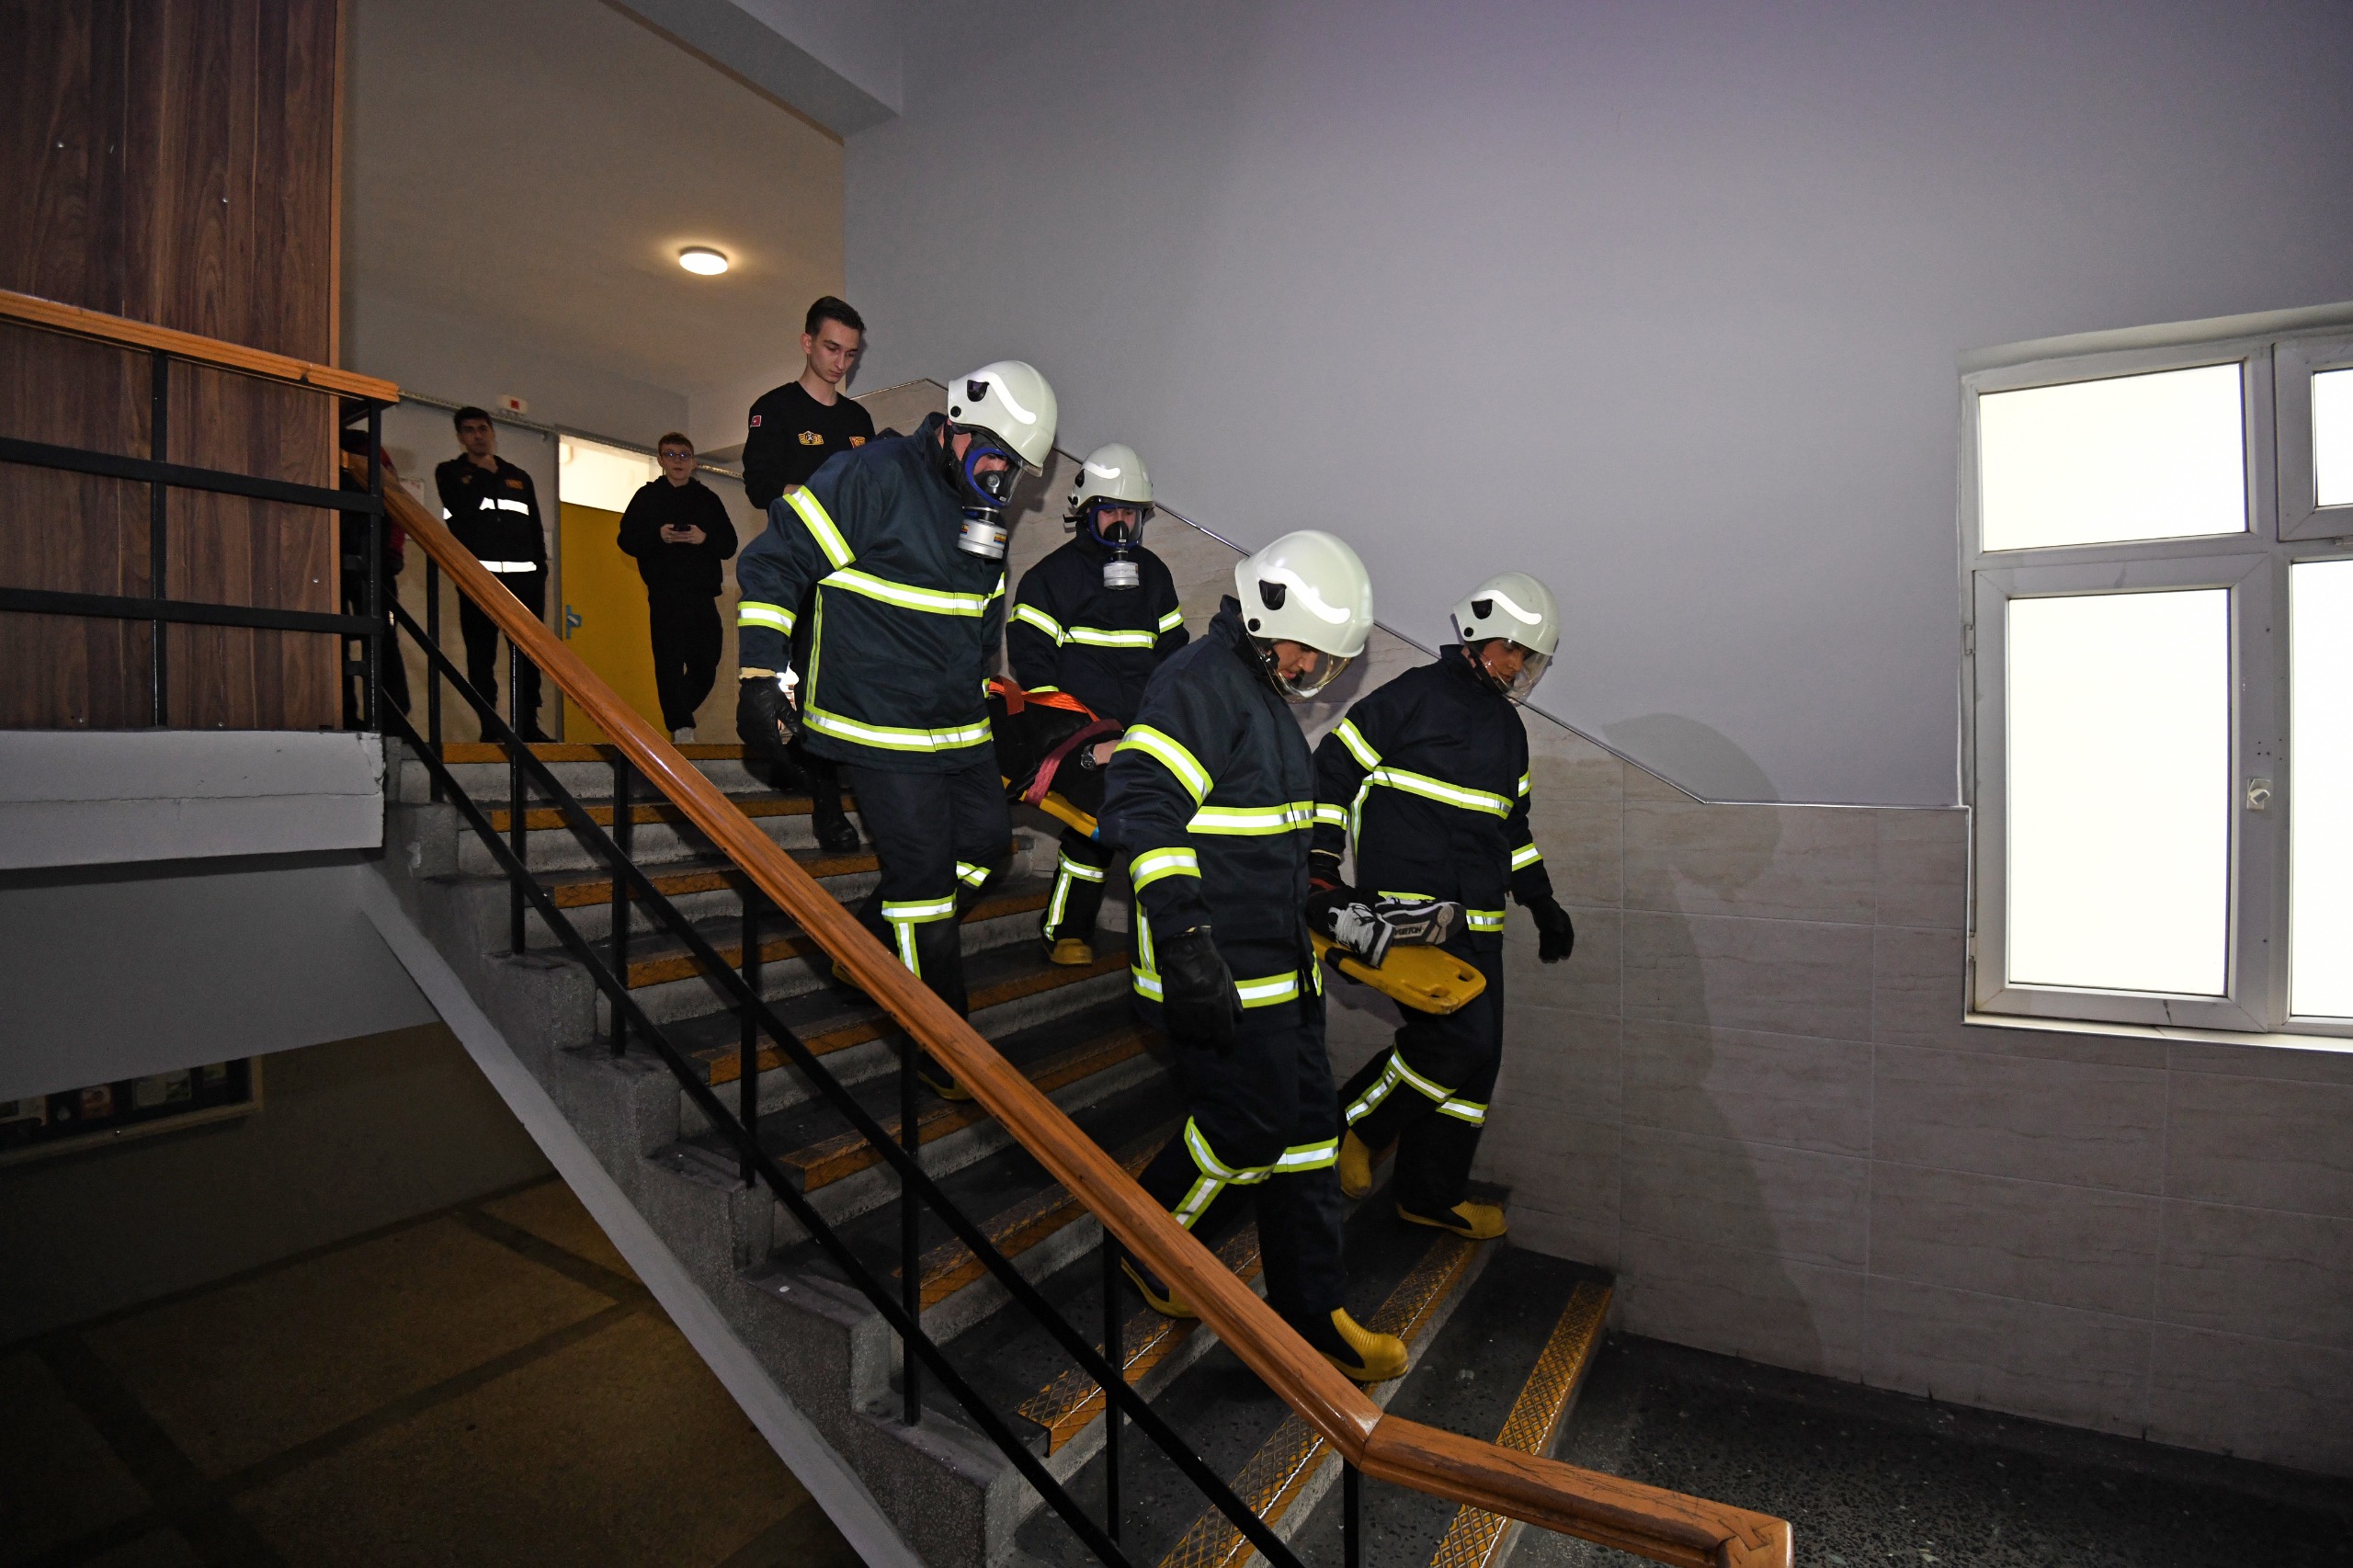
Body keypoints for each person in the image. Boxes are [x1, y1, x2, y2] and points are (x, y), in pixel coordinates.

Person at [1098, 529, 1410, 1384]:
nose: (1314, 672)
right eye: (1310, 651)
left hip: (1279, 973)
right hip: (1214, 973)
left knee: (1309, 1136)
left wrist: (1326, 901)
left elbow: (1264, 838)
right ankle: (1145, 1242)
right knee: (1246, 1130)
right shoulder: (1199, 684)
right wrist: (1185, 942)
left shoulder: (1263, 696)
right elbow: (1143, 808)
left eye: (1327, 661)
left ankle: (1313, 1312)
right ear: (1267, 615)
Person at [733, 360, 1058, 1093]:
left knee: (986, 847)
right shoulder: (872, 475)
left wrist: (987, 686)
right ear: (956, 428)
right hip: (876, 721)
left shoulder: (983, 512)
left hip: (955, 723)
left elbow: (982, 616)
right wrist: (759, 674)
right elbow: (775, 561)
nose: (1003, 478)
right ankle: (945, 1049)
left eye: (1016, 469)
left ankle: (866, 943)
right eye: (996, 457)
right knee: (924, 886)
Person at [1313, 572, 1576, 1241]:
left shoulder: (1509, 730)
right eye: (1511, 649)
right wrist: (1320, 864)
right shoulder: (1411, 697)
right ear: (1476, 634)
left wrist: (1541, 899)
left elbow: (1512, 828)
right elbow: (1332, 771)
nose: (1516, 666)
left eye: (1527, 657)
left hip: (1482, 925)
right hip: (1409, 919)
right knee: (1457, 1044)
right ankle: (1353, 1127)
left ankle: (1430, 1195)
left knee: (1477, 1066)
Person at [1006, 442, 1188, 966]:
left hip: (1141, 733)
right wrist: (1082, 736)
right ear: (1086, 512)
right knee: (1105, 821)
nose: (1121, 523)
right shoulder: (1051, 578)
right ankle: (1067, 929)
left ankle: (1170, 946)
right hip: (1079, 735)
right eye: (1110, 510)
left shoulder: (1154, 577)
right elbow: (1033, 666)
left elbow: (1175, 660)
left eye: (1131, 512)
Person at [740, 297, 876, 851]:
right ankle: (826, 807)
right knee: (804, 685)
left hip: (851, 581)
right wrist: (810, 497)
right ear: (807, 342)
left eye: (851, 354)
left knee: (846, 688)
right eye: (831, 348)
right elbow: (758, 487)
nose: (841, 363)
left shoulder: (858, 421)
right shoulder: (773, 409)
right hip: (796, 573)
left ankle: (844, 787)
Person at [435, 407, 549, 741]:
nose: (478, 435)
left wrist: (539, 572)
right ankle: (490, 728)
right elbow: (461, 514)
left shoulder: (518, 476)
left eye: (483, 428)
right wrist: (483, 476)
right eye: (470, 430)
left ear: (492, 432)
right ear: (460, 437)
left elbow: (535, 528)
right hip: (478, 582)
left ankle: (527, 725)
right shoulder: (449, 473)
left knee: (529, 656)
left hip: (524, 584)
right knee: (481, 657)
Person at [619, 433, 739, 742]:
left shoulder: (708, 499)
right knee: (669, 663)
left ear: (694, 462)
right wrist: (657, 535)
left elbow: (729, 544)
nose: (677, 461)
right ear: (660, 460)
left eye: (684, 455)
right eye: (670, 455)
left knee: (707, 663)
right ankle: (681, 726)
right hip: (665, 594)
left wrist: (704, 538)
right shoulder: (646, 497)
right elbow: (626, 539)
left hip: (703, 595)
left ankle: (677, 715)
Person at [337, 420, 409, 725]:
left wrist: (391, 552)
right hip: (329, 560)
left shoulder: (368, 450)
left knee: (381, 638)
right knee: (333, 639)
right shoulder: (358, 449)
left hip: (373, 560)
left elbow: (396, 500)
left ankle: (390, 719)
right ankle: (343, 716)